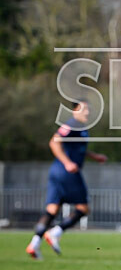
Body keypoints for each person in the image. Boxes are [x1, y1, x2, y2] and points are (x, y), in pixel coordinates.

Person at [26, 101, 108, 260]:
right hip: (66, 172)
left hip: (57, 172)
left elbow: (77, 148)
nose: (87, 113)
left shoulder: (81, 128)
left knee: (52, 209)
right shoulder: (72, 124)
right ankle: (55, 233)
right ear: (74, 111)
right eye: (84, 110)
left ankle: (34, 244)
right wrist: (67, 163)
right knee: (83, 208)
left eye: (89, 110)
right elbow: (54, 141)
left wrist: (94, 156)